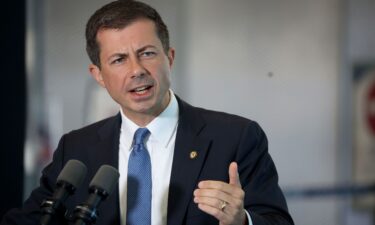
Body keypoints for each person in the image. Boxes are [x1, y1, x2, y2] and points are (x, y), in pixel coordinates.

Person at [1, 1, 294, 225]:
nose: (136, 70)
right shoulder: (76, 149)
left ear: (170, 58)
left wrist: (242, 220)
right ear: (98, 75)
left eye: (147, 53)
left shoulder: (235, 138)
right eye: (118, 60)